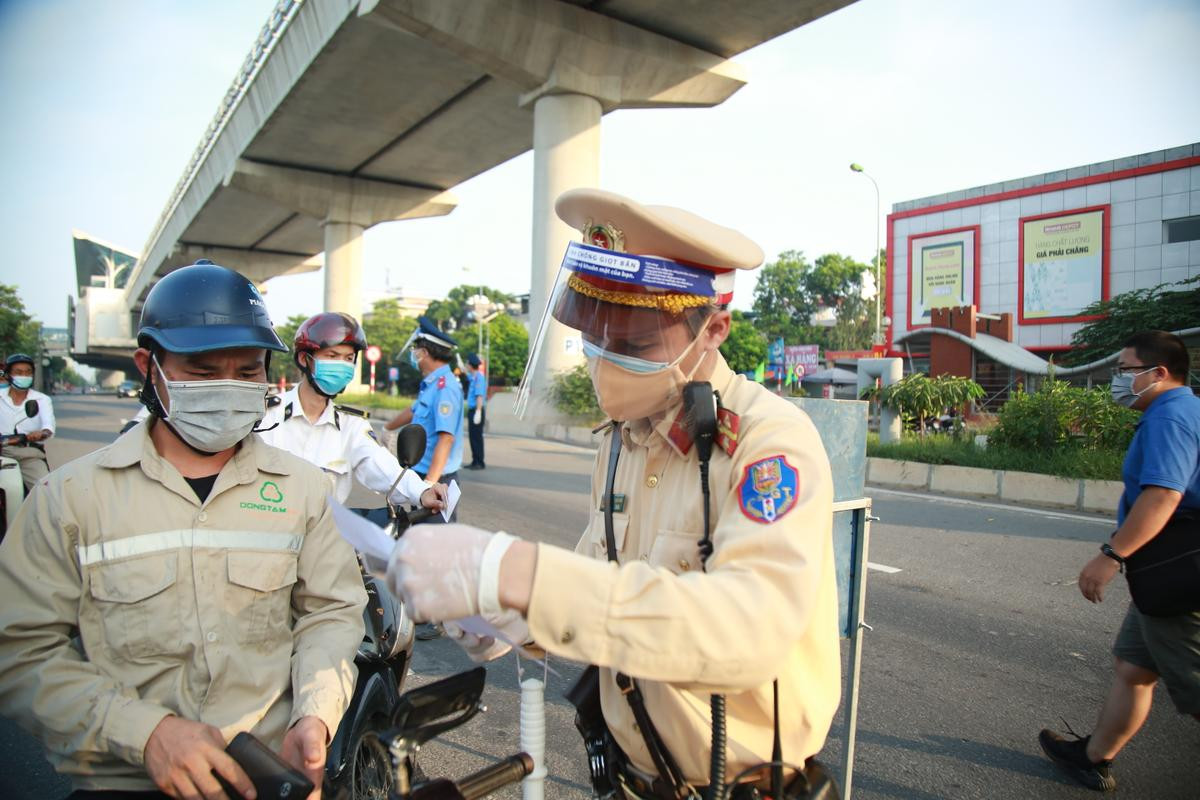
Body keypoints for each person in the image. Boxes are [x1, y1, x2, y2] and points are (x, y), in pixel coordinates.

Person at [386, 189, 841, 798]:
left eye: (633, 342)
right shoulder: (622, 440)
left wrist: (519, 570)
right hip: (631, 779)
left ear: (713, 329)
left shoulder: (768, 443)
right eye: (594, 333)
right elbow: (598, 586)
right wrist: (497, 616)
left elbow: (750, 631)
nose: (604, 361)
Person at [0, 261, 368, 799]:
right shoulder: (69, 500)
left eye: (247, 372)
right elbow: (20, 653)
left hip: (268, 778)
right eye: (200, 370)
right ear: (149, 366)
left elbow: (331, 613)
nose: (227, 388)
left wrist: (314, 718)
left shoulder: (306, 491)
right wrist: (144, 733)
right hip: (124, 783)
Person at [1039, 330, 1200, 792]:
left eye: (1126, 370)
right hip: (1163, 569)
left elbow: (1164, 495)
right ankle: (1093, 757)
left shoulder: (1172, 417)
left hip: (1177, 570)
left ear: (1160, 373)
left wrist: (1111, 555)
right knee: (1134, 667)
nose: (1119, 379)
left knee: (1193, 689)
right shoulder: (1178, 410)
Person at [258, 311, 447, 513]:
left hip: (323, 536)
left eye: (348, 358)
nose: (342, 365)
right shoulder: (264, 415)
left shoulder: (351, 425)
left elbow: (381, 465)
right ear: (305, 359)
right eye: (332, 356)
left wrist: (422, 491)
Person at [383, 316, 464, 494]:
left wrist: (429, 484)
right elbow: (413, 411)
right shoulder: (432, 384)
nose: (413, 354)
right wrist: (387, 428)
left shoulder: (445, 387)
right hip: (419, 473)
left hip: (436, 478)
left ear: (425, 352)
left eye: (416, 349)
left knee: (431, 523)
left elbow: (446, 438)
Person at [0, 352, 55, 492]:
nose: (24, 376)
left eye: (28, 372)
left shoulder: (42, 400)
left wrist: (41, 433)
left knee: (46, 492)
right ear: (8, 375)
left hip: (28, 455)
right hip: (2, 452)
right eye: (18, 372)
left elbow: (48, 427)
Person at [464, 353, 487, 470]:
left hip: (476, 410)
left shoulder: (479, 377)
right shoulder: (473, 376)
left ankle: (479, 462)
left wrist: (478, 411)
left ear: (471, 365)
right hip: (473, 410)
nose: (465, 365)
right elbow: (466, 374)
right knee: (473, 437)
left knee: (477, 437)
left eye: (467, 363)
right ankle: (475, 461)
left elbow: (479, 396)